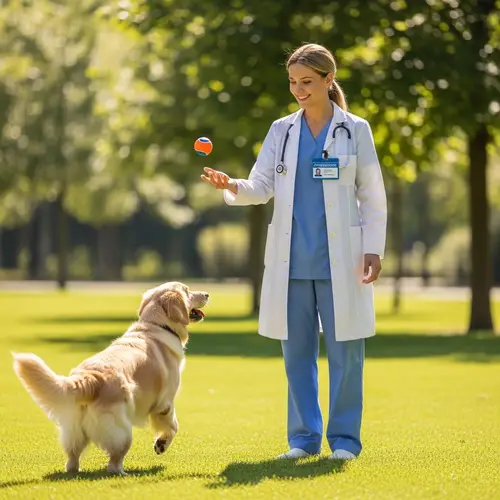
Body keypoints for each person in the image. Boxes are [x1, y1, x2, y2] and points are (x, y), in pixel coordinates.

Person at [201, 43, 387, 461]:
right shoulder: (281, 130)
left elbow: (372, 195)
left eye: (307, 82)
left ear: (328, 80)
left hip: (344, 263)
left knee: (347, 355)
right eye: (293, 82)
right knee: (297, 356)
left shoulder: (355, 129)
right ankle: (302, 440)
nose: (299, 90)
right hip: (292, 264)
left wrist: (374, 247)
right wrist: (231, 185)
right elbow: (261, 185)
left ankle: (344, 442)